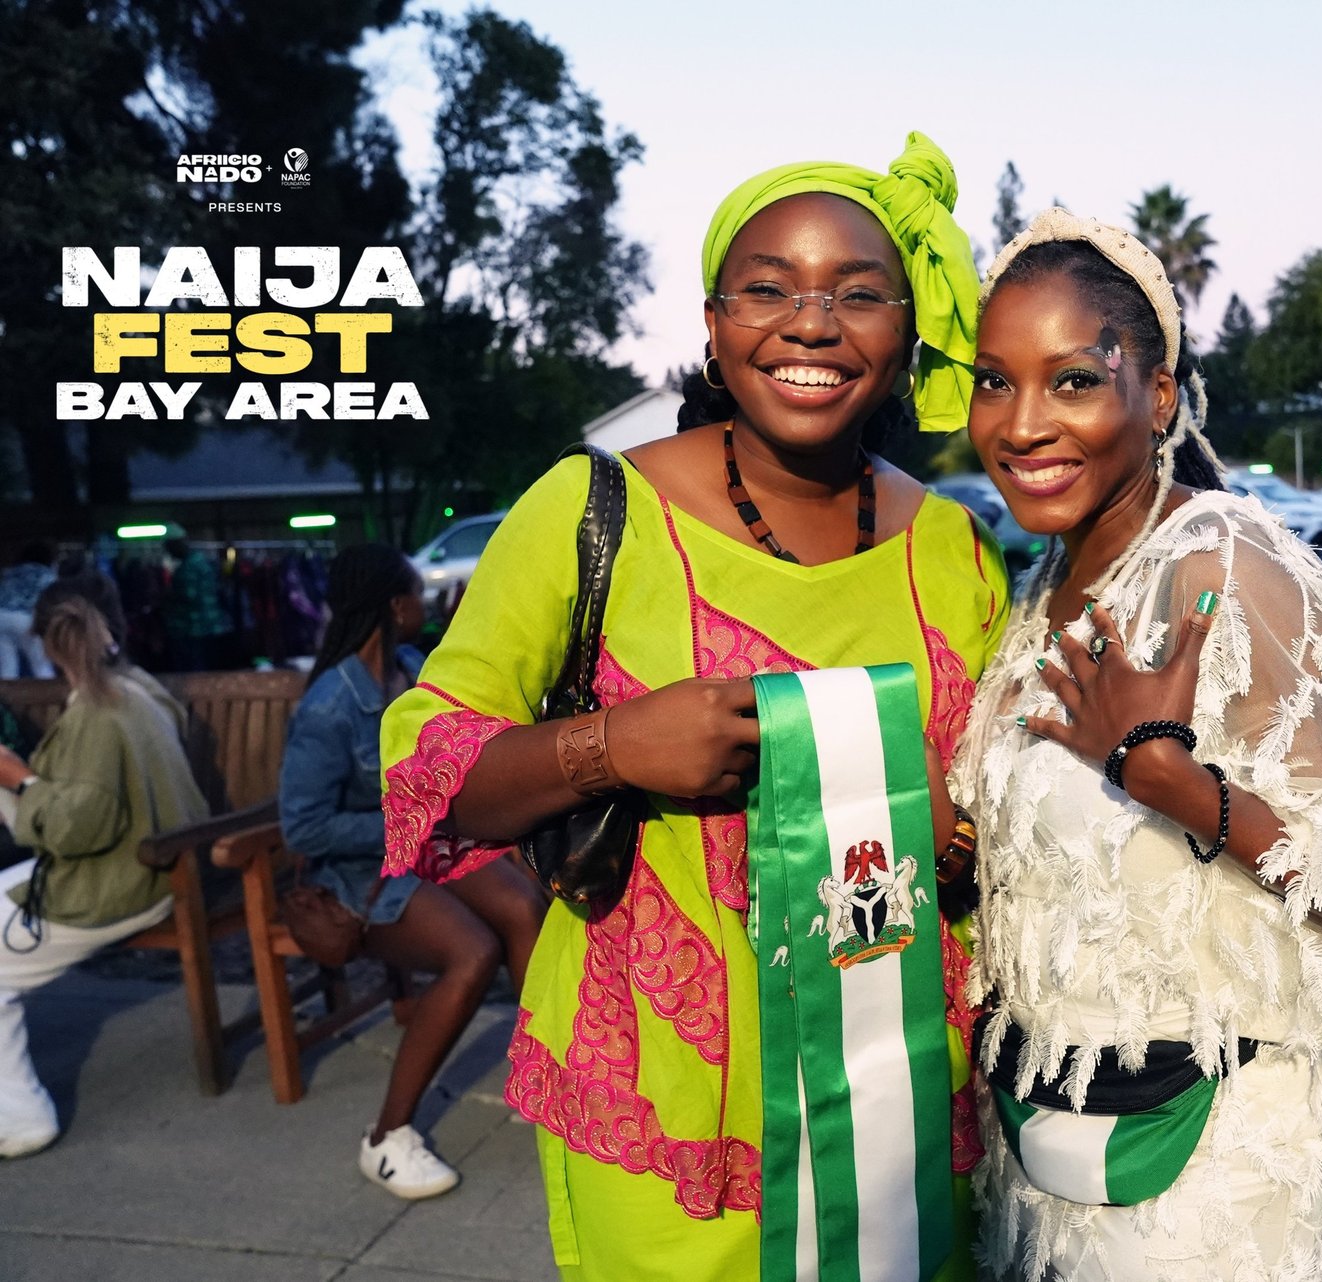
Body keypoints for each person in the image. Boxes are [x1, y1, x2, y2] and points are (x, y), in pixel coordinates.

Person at [381, 133, 1008, 1280]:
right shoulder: (593, 508)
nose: (811, 324)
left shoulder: (955, 548)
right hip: (670, 1114)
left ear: (907, 332)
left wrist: (960, 842)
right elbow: (430, 769)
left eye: (858, 293)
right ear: (714, 324)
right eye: (768, 288)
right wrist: (610, 745)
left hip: (903, 1107)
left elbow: (1006, 802)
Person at [950, 210, 1322, 1281]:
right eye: (994, 382)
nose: (1021, 424)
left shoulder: (1219, 565)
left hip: (1199, 1170)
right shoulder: (1044, 585)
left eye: (1073, 380)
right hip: (1044, 1145)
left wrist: (1178, 784)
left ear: (1158, 395)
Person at [279, 544, 547, 1200]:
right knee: (472, 953)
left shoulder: (412, 669)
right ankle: (386, 1136)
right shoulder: (329, 706)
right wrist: (406, 818)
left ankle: (544, 1079)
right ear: (394, 606)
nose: (423, 605)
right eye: (415, 597)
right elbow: (303, 829)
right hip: (362, 875)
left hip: (425, 847)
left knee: (525, 906)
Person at [0, 596, 209, 1158]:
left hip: (119, 884)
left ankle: (20, 1116)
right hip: (155, 868)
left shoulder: (94, 715)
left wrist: (19, 779)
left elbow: (79, 829)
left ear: (47, 647)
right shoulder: (138, 690)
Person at [162, 538, 229, 672]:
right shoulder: (202, 562)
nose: (170, 554)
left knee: (195, 668)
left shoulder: (188, 567)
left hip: (194, 626)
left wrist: (168, 597)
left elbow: (188, 595)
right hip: (208, 624)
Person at [0, 543, 57, 680]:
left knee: (7, 664)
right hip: (24, 617)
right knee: (40, 663)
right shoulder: (46, 574)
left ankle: (6, 693)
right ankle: (48, 690)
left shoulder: (10, 573)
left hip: (1, 614)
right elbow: (51, 599)